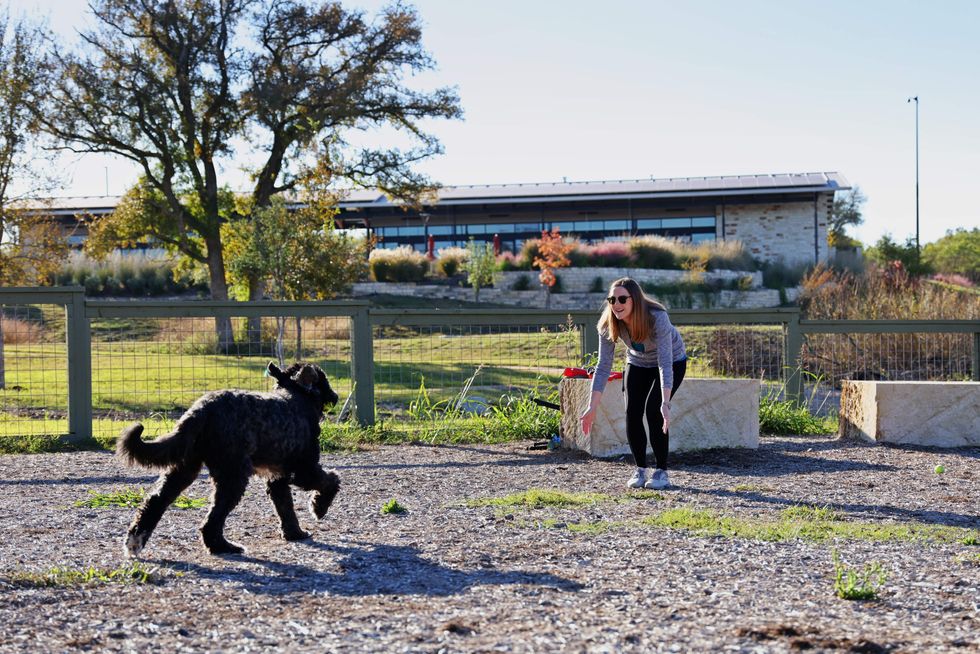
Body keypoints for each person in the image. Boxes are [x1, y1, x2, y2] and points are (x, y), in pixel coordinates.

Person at [580, 277, 687, 489]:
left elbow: (664, 362)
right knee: (632, 411)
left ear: (635, 300)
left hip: (671, 361)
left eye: (622, 299)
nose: (616, 304)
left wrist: (665, 402)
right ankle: (640, 469)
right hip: (637, 361)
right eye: (612, 299)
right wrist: (592, 406)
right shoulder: (607, 323)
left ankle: (661, 472)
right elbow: (603, 367)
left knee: (654, 411)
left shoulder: (657, 317)